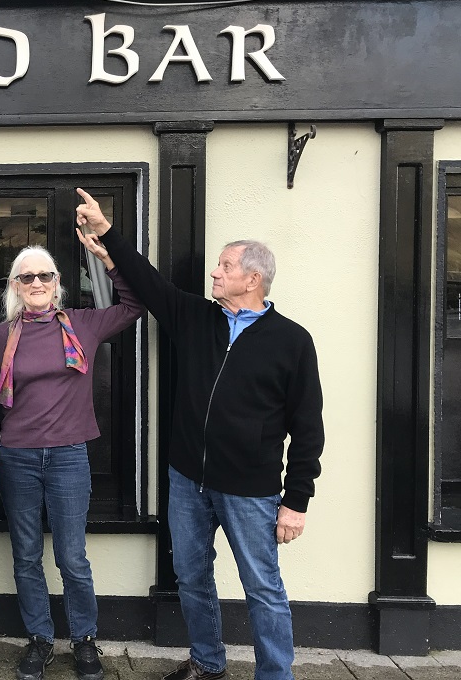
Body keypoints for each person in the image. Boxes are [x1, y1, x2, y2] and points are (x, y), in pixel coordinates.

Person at [75, 189, 324, 680]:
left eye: (225, 267)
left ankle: (275, 675)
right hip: (188, 479)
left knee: (263, 587)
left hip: (250, 490)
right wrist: (107, 233)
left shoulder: (292, 341)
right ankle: (208, 665)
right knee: (191, 576)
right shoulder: (196, 318)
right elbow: (148, 284)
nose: (215, 272)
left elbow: (308, 427)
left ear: (252, 279)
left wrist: (296, 501)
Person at [0, 236, 144, 680]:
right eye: (27, 276)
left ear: (58, 284)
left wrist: (108, 258)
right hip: (16, 456)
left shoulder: (82, 324)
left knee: (72, 556)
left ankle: (84, 639)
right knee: (25, 554)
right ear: (16, 286)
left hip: (69, 457)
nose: (36, 282)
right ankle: (39, 640)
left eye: (45, 275)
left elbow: (134, 306)